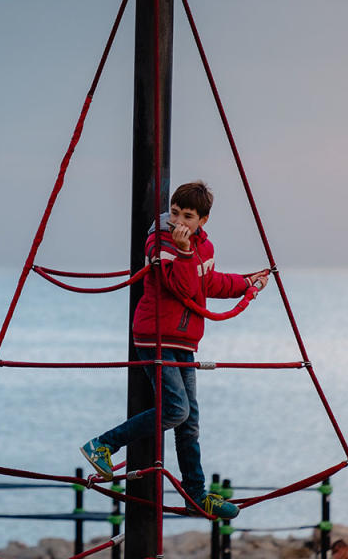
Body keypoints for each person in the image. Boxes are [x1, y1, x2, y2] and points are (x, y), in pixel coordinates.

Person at [79, 181, 269, 520]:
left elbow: (206, 285)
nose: (179, 220)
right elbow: (179, 287)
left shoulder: (204, 248)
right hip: (156, 335)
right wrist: (182, 251)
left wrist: (246, 282)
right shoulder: (161, 240)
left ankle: (195, 495)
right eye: (176, 212)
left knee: (190, 420)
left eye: (189, 216)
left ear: (203, 220)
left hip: (184, 340)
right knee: (176, 409)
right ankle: (103, 444)